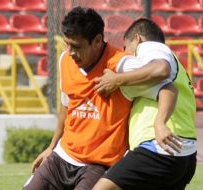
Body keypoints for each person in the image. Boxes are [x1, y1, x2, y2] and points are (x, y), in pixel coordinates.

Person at [23, 8, 179, 190]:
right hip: (63, 156)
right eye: (67, 44)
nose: (70, 52)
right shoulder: (65, 60)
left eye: (76, 46)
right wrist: (51, 147)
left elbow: (168, 88)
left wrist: (159, 123)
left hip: (99, 165)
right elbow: (66, 106)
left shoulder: (122, 65)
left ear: (97, 41)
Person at [92, 18, 197, 190]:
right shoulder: (180, 70)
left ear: (138, 39)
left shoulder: (151, 47)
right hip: (185, 156)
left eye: (127, 48)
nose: (127, 54)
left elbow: (161, 69)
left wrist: (116, 79)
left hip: (159, 148)